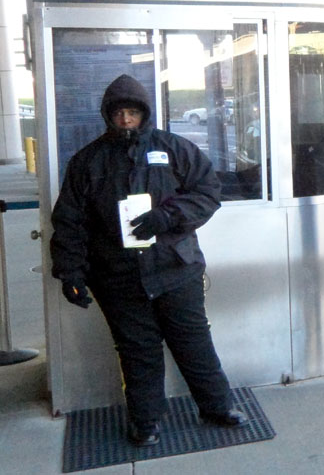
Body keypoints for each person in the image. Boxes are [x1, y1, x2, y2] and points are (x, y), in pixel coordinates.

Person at [50, 74, 247, 447]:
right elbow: (69, 221)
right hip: (117, 276)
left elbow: (207, 192)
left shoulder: (174, 149)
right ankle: (146, 421)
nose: (125, 120)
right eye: (119, 113)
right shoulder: (87, 161)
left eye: (132, 112)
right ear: (108, 116)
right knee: (138, 351)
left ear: (145, 113)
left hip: (176, 269)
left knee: (193, 343)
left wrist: (169, 215)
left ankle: (217, 406)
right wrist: (69, 272)